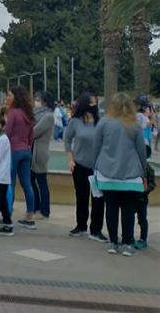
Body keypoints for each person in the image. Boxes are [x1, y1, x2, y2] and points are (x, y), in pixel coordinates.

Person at [93, 92, 147, 257]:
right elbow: (141, 152)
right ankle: (128, 243)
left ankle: (113, 242)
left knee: (111, 208)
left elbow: (96, 147)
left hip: (107, 174)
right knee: (129, 209)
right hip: (130, 175)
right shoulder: (134, 125)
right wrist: (143, 173)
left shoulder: (103, 123)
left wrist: (95, 168)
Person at [64, 92, 106, 241]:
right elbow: (67, 140)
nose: (95, 106)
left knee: (98, 199)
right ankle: (81, 226)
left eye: (96, 103)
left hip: (98, 168)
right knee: (81, 197)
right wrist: (70, 159)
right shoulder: (75, 121)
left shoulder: (101, 122)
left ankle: (96, 230)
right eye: (92, 103)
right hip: (80, 165)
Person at [5, 85, 36, 229]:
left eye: (10, 95)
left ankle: (7, 214)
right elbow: (31, 136)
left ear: (16, 97)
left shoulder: (13, 113)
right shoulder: (28, 113)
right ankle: (30, 215)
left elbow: (7, 133)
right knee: (27, 184)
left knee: (10, 183)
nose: (7, 98)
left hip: (13, 150)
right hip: (26, 151)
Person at [31, 90, 55, 219]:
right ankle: (35, 207)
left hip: (40, 152)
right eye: (35, 99)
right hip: (31, 150)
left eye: (38, 100)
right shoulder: (35, 114)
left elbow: (34, 132)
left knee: (41, 181)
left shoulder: (48, 116)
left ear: (45, 101)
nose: (36, 102)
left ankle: (45, 211)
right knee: (31, 181)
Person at [135, 145, 154, 250]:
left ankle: (143, 239)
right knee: (128, 217)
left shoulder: (149, 169)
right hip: (132, 198)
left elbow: (153, 184)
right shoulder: (133, 167)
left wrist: (147, 189)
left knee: (142, 219)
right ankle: (128, 236)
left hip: (142, 199)